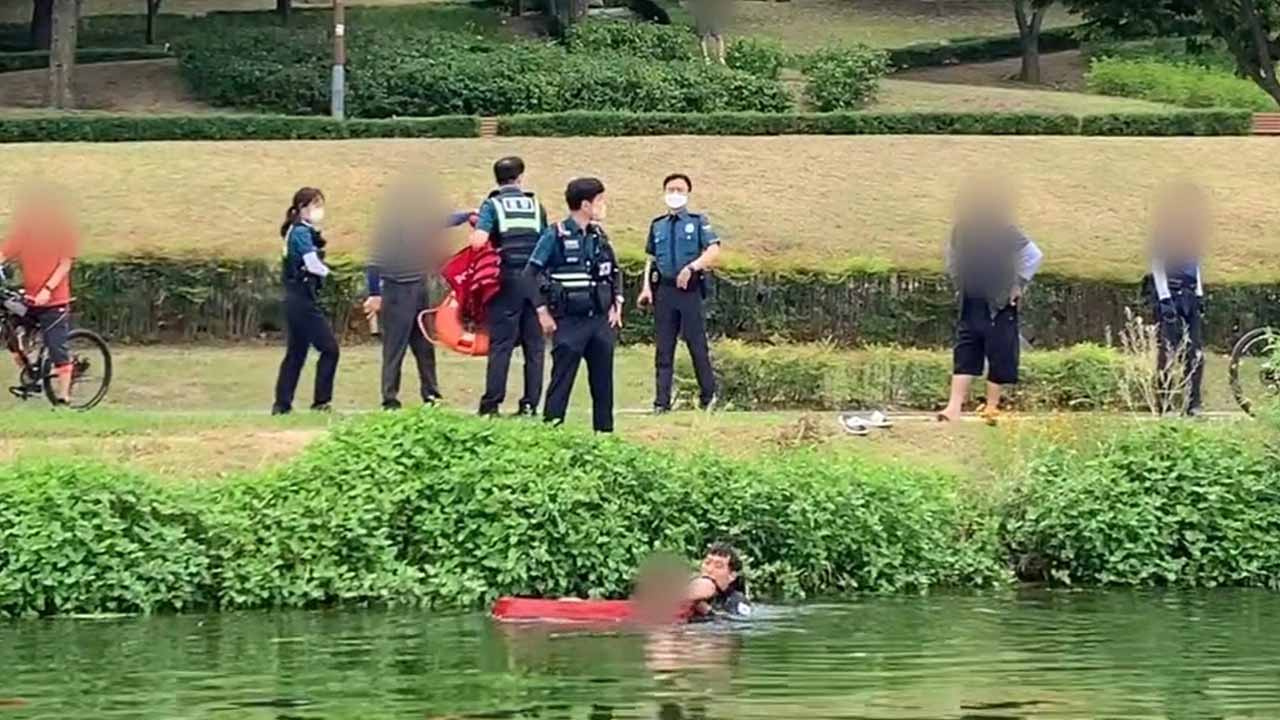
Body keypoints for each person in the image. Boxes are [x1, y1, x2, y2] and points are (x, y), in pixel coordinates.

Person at [936, 181, 1042, 426]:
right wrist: (958, 283)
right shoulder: (961, 231)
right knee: (965, 350)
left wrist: (1018, 284)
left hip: (1000, 302)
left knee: (999, 352)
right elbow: (953, 258)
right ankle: (953, 407)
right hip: (971, 300)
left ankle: (992, 407)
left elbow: (1033, 255)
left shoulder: (1006, 231)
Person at [363, 181, 471, 410]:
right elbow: (373, 264)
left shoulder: (420, 224)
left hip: (419, 289)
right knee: (395, 347)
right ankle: (390, 398)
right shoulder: (388, 230)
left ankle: (431, 395)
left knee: (424, 346)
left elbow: (444, 221)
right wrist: (374, 294)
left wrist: (467, 215)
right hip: (396, 290)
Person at [526, 177, 622, 433]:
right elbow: (530, 274)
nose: (604, 205)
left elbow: (614, 272)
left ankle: (604, 436)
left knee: (603, 384)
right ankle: (551, 432)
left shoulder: (598, 235)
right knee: (562, 380)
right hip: (569, 320)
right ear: (585, 205)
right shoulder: (555, 234)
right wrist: (542, 311)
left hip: (599, 320)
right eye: (600, 200)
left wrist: (617, 302)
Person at [470, 157, 549, 417]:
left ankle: (491, 404)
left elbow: (478, 242)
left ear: (497, 179)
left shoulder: (492, 205)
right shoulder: (535, 205)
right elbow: (546, 242)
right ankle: (530, 404)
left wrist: (477, 227)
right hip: (534, 280)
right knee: (534, 346)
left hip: (507, 280)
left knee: (501, 344)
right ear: (520, 177)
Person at [638, 173, 720, 413]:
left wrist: (692, 267)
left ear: (687, 194)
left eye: (679, 190)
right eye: (670, 190)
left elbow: (713, 249)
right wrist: (646, 287)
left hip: (689, 290)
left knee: (697, 345)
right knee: (664, 348)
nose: (675, 194)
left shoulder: (697, 221)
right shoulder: (658, 225)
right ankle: (661, 402)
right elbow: (651, 258)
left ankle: (708, 397)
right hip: (664, 291)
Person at [0, 186, 77, 405]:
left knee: (56, 347)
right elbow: (4, 253)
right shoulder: (24, 233)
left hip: (54, 300)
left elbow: (65, 263)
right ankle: (30, 371)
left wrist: (48, 289)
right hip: (30, 299)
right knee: (11, 333)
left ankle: (63, 399)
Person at [272, 187, 339, 415]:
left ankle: (282, 405)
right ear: (302, 207)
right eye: (315, 205)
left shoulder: (298, 230)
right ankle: (321, 402)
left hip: (294, 299)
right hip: (302, 300)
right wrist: (329, 273)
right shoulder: (300, 232)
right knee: (330, 349)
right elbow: (312, 264)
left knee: (296, 353)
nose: (319, 210)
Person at [1147, 181, 1209, 417]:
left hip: (1190, 292)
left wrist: (1199, 293)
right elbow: (1157, 264)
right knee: (1168, 350)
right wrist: (1165, 299)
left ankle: (1193, 402)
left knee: (1195, 351)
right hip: (1171, 292)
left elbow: (1196, 264)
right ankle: (1164, 402)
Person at [686, 542, 751, 621]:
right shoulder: (690, 587)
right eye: (707, 563)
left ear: (732, 576)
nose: (709, 570)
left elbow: (736, 623)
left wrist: (708, 611)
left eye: (718, 566)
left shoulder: (737, 600)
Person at [689, 0, 730, 64]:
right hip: (701, 16)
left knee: (719, 37)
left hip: (713, 16)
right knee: (703, 37)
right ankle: (706, 58)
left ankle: (720, 57)